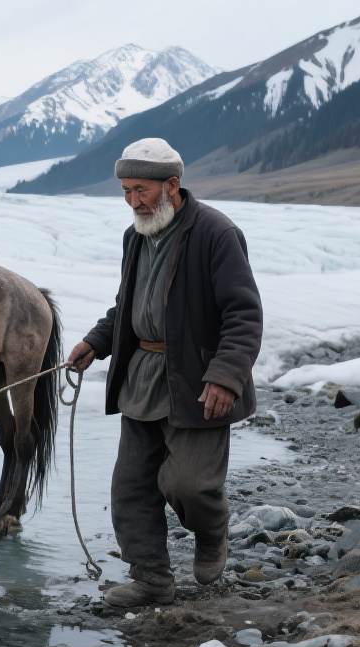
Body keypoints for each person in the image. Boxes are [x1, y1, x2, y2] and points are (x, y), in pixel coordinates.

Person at [68, 138, 263, 607]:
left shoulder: (217, 233)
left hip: (198, 381)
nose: (132, 201)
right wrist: (96, 342)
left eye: (141, 190)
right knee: (131, 488)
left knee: (189, 485)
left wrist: (225, 377)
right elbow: (128, 304)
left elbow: (244, 314)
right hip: (142, 377)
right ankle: (152, 579)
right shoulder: (135, 236)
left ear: (172, 185)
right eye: (125, 190)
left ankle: (212, 530)